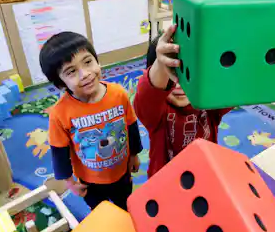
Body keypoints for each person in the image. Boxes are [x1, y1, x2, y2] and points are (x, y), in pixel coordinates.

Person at [39, 32, 143, 210]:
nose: (85, 74)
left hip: (121, 172)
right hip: (90, 181)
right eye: (71, 72)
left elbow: (131, 126)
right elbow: (59, 152)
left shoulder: (118, 94)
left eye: (88, 62)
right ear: (61, 83)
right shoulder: (59, 113)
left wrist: (134, 154)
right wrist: (70, 182)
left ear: (97, 60)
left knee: (126, 206)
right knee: (101, 213)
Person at [133, 25, 232, 177]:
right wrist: (161, 63)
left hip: (206, 177)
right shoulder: (157, 113)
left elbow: (233, 86)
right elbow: (147, 97)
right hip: (165, 185)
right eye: (170, 74)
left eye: (187, 73)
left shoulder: (208, 101)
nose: (179, 84)